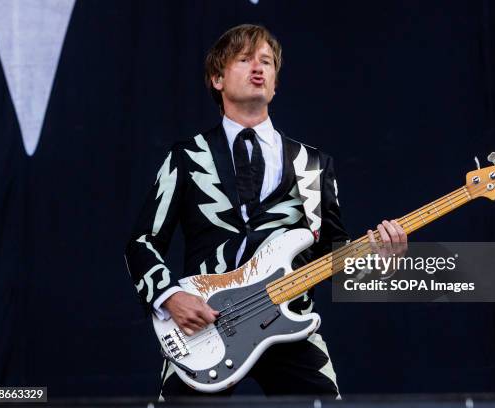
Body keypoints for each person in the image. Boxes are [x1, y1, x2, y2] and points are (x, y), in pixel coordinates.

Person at [124, 24, 407, 399]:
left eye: (267, 62)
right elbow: (143, 241)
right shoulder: (187, 157)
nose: (258, 68)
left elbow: (332, 254)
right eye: (244, 59)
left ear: (275, 84)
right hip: (205, 327)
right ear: (217, 79)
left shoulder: (313, 165)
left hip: (288, 320)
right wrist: (169, 297)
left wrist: (379, 257)